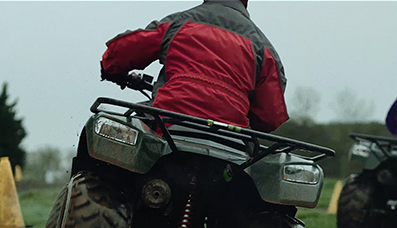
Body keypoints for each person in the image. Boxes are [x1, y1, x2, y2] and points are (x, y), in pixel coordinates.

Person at [100, 0, 288, 133]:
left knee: (105, 139)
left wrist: (109, 68)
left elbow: (124, 50)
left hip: (166, 125)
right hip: (231, 140)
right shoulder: (263, 50)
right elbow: (270, 117)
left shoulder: (179, 24)